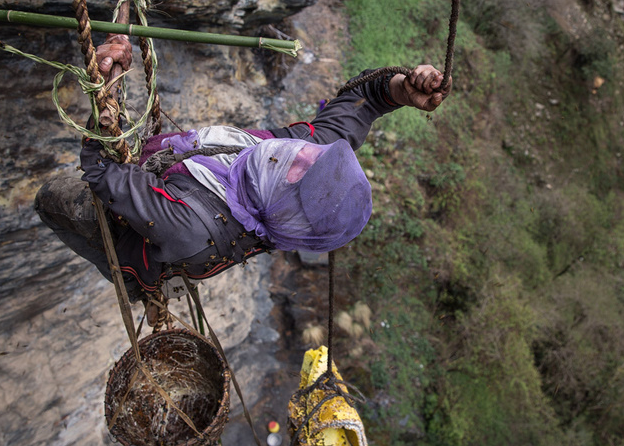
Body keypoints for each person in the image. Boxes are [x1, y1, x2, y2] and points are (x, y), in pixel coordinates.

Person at [35, 35, 450, 306]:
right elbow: (363, 103)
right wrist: (401, 88)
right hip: (173, 193)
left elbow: (101, 169)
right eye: (313, 155)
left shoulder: (191, 223)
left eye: (302, 166)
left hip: (150, 232)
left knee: (52, 199)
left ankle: (129, 281)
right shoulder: (294, 163)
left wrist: (109, 85)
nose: (302, 153)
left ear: (283, 208)